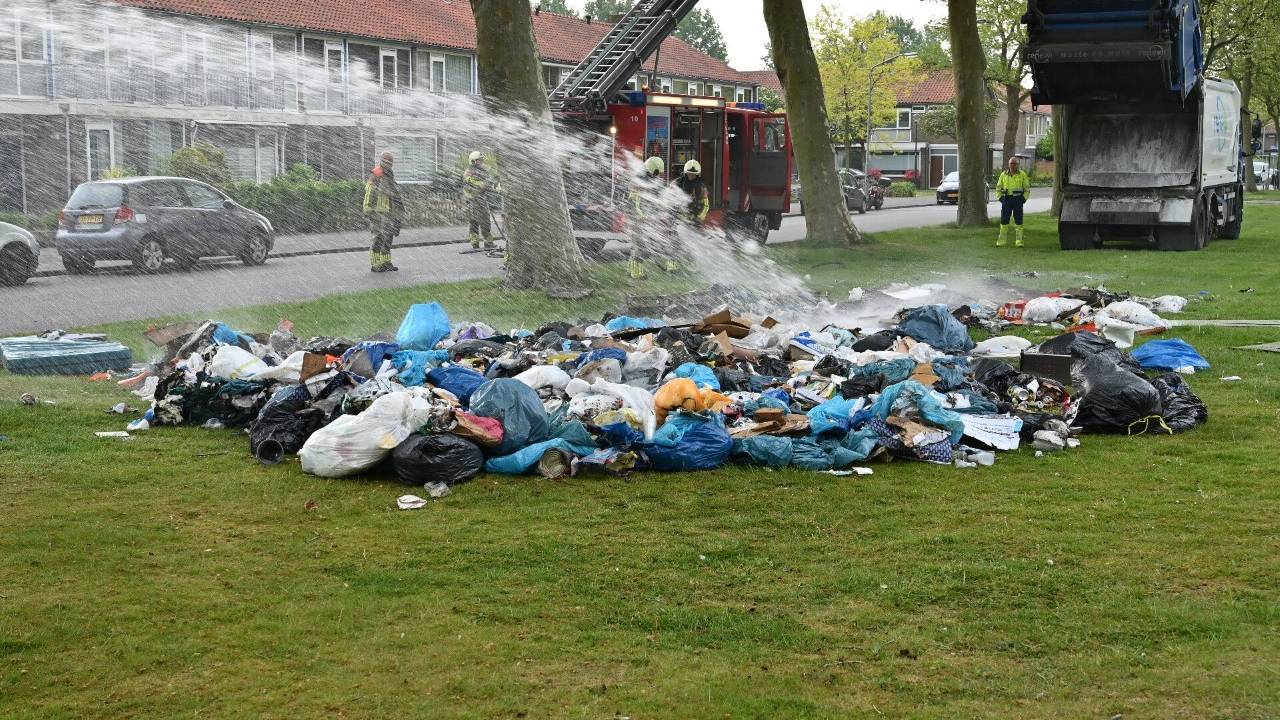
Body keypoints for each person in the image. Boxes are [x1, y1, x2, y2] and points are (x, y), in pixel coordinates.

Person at [628, 156, 670, 279]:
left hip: (640, 218)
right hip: (639, 218)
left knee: (636, 245)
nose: (658, 175)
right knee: (640, 247)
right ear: (653, 170)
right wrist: (643, 216)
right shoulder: (640, 182)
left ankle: (630, 269)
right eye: (657, 172)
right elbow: (636, 202)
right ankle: (637, 273)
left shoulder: (642, 179)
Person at [363, 151, 405, 272]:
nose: (387, 165)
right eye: (386, 162)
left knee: (388, 239)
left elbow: (394, 196)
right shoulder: (375, 175)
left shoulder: (390, 175)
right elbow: (368, 194)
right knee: (378, 239)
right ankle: (375, 265)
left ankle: (386, 263)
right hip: (377, 213)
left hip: (389, 214)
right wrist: (368, 211)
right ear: (381, 161)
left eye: (389, 163)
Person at [995, 156, 1031, 248]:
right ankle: (1001, 242)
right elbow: (998, 188)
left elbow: (1027, 189)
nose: (1013, 165)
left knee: (1019, 222)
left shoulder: (1022, 174)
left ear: (1017, 165)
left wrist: (1023, 199)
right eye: (1011, 163)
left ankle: (1019, 242)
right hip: (1006, 200)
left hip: (1018, 200)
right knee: (1004, 222)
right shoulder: (1003, 174)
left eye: (1015, 163)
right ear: (1009, 164)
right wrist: (1001, 198)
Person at [463, 151, 496, 249]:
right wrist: (479, 187)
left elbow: (489, 182)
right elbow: (467, 186)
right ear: (473, 161)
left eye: (481, 160)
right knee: (473, 222)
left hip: (482, 200)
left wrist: (484, 185)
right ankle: (474, 242)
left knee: (485, 221)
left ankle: (488, 242)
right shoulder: (468, 172)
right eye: (479, 160)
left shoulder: (484, 170)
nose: (481, 162)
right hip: (472, 201)